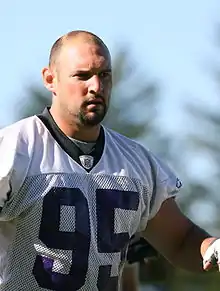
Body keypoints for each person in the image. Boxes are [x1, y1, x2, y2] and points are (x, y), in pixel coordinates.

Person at [0, 30, 219, 291]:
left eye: (104, 75)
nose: (96, 86)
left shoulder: (135, 163)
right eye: (82, 76)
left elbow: (181, 240)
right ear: (50, 79)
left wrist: (212, 247)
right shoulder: (14, 149)